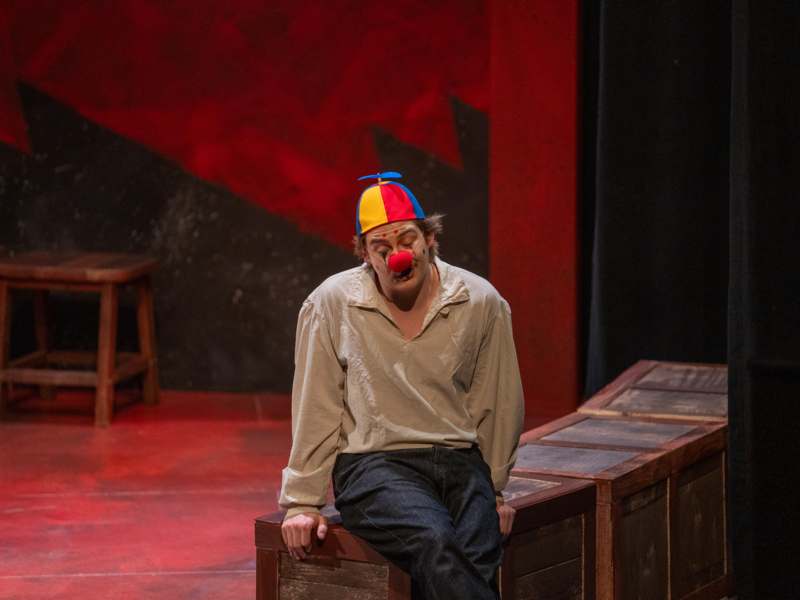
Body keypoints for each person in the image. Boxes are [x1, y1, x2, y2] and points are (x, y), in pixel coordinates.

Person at [279, 171, 524, 599]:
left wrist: (495, 489)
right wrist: (302, 501)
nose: (397, 255)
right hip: (375, 466)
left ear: (429, 239)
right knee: (433, 541)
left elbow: (497, 403)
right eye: (382, 247)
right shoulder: (331, 303)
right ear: (365, 255)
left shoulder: (479, 300)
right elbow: (316, 404)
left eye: (407, 239)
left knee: (478, 552)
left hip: (459, 461)